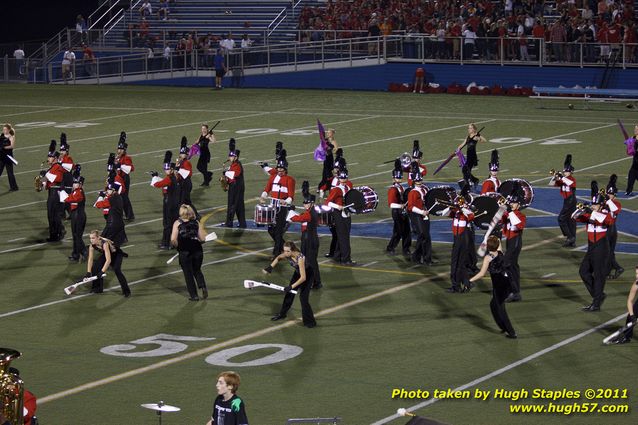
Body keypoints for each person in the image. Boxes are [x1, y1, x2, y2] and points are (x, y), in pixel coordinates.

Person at [469, 236, 517, 338]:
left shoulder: (488, 258)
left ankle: (511, 332)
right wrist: (493, 237)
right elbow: (498, 242)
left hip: (499, 287)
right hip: (506, 283)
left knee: (501, 309)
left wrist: (470, 280)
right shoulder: (500, 252)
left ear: (488, 246)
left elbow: (482, 273)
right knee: (493, 305)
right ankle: (503, 327)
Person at [572, 191, 613, 312]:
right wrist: (581, 209)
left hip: (601, 246)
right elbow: (574, 217)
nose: (593, 206)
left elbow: (608, 221)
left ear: (601, 205)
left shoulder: (606, 213)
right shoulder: (591, 213)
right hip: (591, 247)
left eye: (596, 204)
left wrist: (592, 212)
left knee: (599, 275)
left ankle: (596, 303)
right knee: (583, 271)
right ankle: (598, 295)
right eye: (592, 204)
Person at [264, 241, 317, 327]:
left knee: (303, 298)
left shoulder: (300, 258)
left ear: (292, 250)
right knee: (289, 294)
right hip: (297, 273)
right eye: (284, 251)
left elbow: (303, 278)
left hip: (308, 274)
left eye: (287, 251)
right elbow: (278, 257)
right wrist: (270, 267)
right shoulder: (286, 254)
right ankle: (282, 314)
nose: (285, 253)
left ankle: (310, 322)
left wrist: (291, 287)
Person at [260, 147, 295, 257]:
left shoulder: (290, 179)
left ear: (285, 169)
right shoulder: (272, 177)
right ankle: (283, 247)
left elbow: (291, 196)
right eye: (278, 168)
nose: (279, 170)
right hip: (272, 206)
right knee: (271, 230)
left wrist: (286, 202)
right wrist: (263, 196)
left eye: (281, 169)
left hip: (282, 208)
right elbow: (267, 189)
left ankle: (276, 253)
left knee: (278, 231)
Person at [171, 204, 208, 301]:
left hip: (185, 251)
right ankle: (202, 286)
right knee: (197, 269)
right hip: (197, 250)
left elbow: (173, 240)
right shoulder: (196, 222)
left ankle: (194, 296)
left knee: (188, 273)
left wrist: (175, 245)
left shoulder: (177, 223)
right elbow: (203, 239)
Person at [289, 181, 322, 289]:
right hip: (309, 238)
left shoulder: (309, 213)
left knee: (311, 262)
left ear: (311, 203)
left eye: (306, 203)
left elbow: (297, 218)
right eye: (304, 203)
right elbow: (302, 216)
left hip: (310, 240)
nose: (304, 205)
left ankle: (316, 282)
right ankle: (312, 281)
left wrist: (291, 213)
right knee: (308, 261)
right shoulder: (311, 211)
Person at [443, 184, 475, 293]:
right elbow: (443, 213)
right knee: (457, 262)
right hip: (457, 238)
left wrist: (462, 207)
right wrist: (451, 206)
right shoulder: (455, 211)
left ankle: (456, 285)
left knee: (458, 262)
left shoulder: (465, 212)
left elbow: (471, 216)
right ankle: (466, 283)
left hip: (463, 237)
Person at [324, 167, 355, 265]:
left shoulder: (349, 186)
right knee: (344, 238)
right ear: (339, 179)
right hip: (338, 214)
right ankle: (346, 259)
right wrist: (338, 206)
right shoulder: (336, 189)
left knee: (342, 236)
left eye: (345, 178)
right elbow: (327, 203)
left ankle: (337, 256)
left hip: (347, 214)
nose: (343, 181)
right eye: (341, 179)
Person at [86, 230, 131, 296]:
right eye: (90, 238)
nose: (91, 240)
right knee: (95, 267)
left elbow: (108, 260)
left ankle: (126, 291)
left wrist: (102, 272)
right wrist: (88, 272)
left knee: (117, 270)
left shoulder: (105, 244)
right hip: (107, 254)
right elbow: (90, 259)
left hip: (116, 255)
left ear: (98, 238)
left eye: (93, 238)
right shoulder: (91, 246)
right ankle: (97, 288)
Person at [151, 151, 181, 249]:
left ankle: (166, 243)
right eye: (165, 169)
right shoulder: (175, 176)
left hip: (169, 204)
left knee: (167, 224)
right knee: (174, 223)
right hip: (175, 203)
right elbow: (164, 181)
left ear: (171, 170)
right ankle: (174, 242)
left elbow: (156, 185)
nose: (165, 171)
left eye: (167, 169)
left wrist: (154, 177)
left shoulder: (169, 178)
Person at [501, 187, 526, 302]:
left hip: (515, 241)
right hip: (509, 241)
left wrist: (510, 211)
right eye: (511, 202)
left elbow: (518, 225)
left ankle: (512, 291)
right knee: (512, 266)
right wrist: (501, 208)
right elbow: (499, 220)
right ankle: (514, 292)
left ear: (519, 205)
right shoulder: (508, 214)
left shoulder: (521, 215)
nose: (512, 204)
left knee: (507, 264)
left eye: (514, 203)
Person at [549, 154, 577, 247]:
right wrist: (555, 176)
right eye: (564, 171)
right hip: (567, 201)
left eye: (567, 172)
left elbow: (570, 183)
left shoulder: (572, 179)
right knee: (570, 220)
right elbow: (551, 184)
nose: (565, 173)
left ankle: (570, 237)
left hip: (571, 200)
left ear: (571, 172)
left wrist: (561, 177)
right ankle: (572, 240)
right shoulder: (563, 179)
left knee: (561, 218)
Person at [407, 168, 432, 265]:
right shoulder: (412, 192)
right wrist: (422, 212)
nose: (419, 182)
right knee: (422, 235)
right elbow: (410, 207)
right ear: (414, 181)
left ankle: (427, 259)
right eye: (417, 180)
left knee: (427, 236)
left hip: (425, 214)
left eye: (420, 179)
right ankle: (416, 256)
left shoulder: (425, 189)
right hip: (417, 215)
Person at [94, 175, 128, 249]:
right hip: (120, 223)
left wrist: (101, 196)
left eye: (109, 190)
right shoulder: (118, 197)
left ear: (113, 190)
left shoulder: (111, 199)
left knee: (102, 240)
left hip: (112, 224)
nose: (107, 191)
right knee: (115, 243)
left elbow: (98, 205)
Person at [42, 140, 66, 242]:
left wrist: (46, 175)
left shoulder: (58, 167)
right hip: (51, 192)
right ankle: (55, 233)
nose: (48, 159)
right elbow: (49, 182)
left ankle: (57, 234)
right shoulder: (51, 167)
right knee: (51, 214)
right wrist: (42, 185)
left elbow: (58, 179)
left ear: (55, 158)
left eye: (50, 157)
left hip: (56, 194)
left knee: (54, 214)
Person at [386, 159, 411, 257]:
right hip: (397, 212)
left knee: (407, 231)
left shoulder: (401, 187)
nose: (399, 178)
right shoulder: (393, 189)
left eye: (400, 176)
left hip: (403, 211)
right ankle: (390, 247)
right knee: (398, 231)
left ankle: (406, 249)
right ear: (393, 178)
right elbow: (391, 204)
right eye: (397, 177)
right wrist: (401, 205)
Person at [63, 166, 88, 262]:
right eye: (73, 182)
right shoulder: (75, 191)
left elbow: (71, 199)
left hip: (79, 216)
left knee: (77, 236)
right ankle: (76, 254)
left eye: (76, 183)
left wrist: (63, 194)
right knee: (75, 236)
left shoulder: (79, 192)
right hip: (75, 215)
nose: (74, 184)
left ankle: (84, 252)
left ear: (80, 184)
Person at [223, 139, 246, 228]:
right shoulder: (233, 164)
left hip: (236, 187)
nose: (229, 158)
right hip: (237, 187)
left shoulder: (237, 165)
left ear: (235, 157)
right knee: (239, 206)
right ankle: (242, 223)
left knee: (232, 205)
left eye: (231, 156)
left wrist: (226, 173)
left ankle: (229, 223)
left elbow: (235, 174)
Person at [456, 123, 486, 191]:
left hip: (472, 156)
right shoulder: (468, 137)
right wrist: (457, 150)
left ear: (474, 129)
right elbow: (462, 144)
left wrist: (479, 135)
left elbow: (484, 140)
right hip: (468, 155)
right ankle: (473, 181)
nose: (468, 129)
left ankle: (468, 184)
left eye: (470, 128)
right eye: (468, 128)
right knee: (465, 170)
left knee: (465, 170)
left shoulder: (475, 137)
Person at [604, 174, 624, 279]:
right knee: (608, 252)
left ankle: (616, 267)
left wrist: (607, 200)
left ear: (615, 195)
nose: (609, 195)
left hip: (610, 229)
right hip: (606, 228)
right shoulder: (604, 202)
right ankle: (610, 270)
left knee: (607, 251)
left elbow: (615, 210)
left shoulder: (616, 204)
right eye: (608, 193)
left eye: (611, 194)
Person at [115, 132, 135, 220]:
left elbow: (131, 168)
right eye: (118, 149)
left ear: (125, 150)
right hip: (118, 178)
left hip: (124, 178)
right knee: (120, 197)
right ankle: (125, 214)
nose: (119, 150)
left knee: (124, 197)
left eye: (121, 149)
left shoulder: (126, 158)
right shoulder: (117, 157)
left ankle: (130, 215)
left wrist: (120, 165)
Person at [176, 137, 198, 218]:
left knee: (183, 202)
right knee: (186, 202)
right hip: (182, 183)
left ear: (186, 155)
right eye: (180, 154)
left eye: (182, 154)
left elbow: (189, 173)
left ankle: (194, 216)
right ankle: (197, 216)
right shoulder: (181, 161)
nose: (181, 155)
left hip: (186, 183)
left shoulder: (187, 162)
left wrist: (179, 169)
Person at [0, 123, 18, 191]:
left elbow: (12, 146)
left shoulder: (11, 137)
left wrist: (3, 147)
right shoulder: (1, 135)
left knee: (10, 173)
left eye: (5, 129)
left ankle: (14, 187)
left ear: (9, 130)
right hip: (1, 157)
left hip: (8, 157)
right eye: (3, 129)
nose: (4, 130)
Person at [626, 125, 638, 195]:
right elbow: (629, 152)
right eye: (635, 129)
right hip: (635, 164)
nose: (635, 130)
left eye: (637, 129)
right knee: (631, 176)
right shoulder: (633, 138)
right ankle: (628, 191)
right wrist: (628, 145)